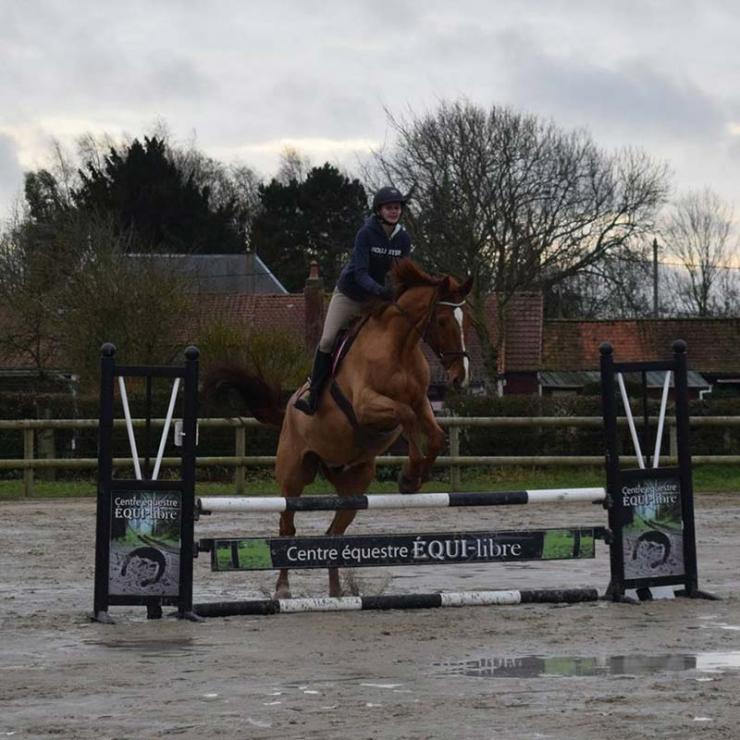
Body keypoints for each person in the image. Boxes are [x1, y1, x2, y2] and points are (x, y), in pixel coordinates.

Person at [294, 186, 412, 415]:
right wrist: (382, 291)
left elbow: (404, 273)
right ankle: (313, 392)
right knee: (328, 340)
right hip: (351, 295)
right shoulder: (366, 233)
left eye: (397, 207)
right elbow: (360, 274)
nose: (393, 211)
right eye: (389, 208)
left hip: (379, 299)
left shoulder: (403, 239)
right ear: (379, 210)